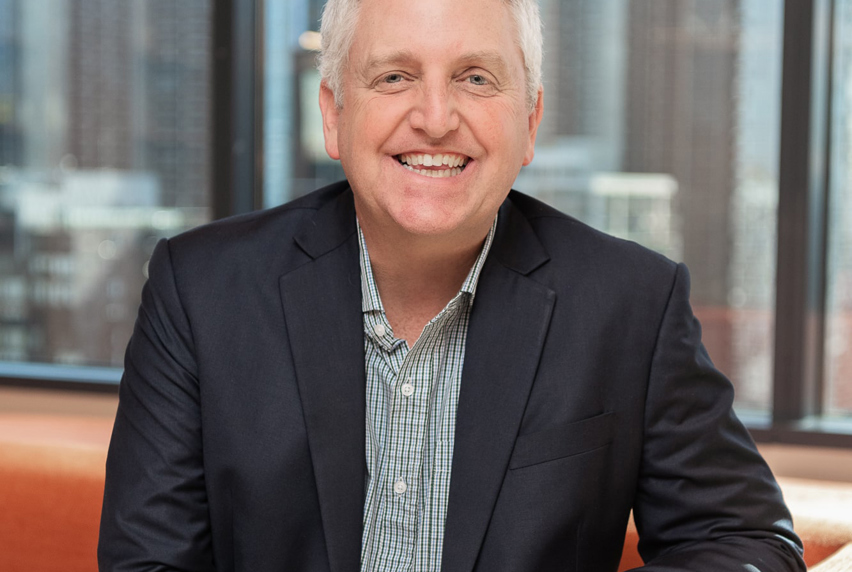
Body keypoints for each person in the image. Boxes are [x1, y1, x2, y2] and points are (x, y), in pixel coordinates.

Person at [98, 0, 807, 570]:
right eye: (394, 77)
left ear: (528, 122)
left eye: (475, 78)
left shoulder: (630, 303)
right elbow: (148, 560)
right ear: (332, 115)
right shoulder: (200, 289)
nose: (436, 119)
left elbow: (749, 541)